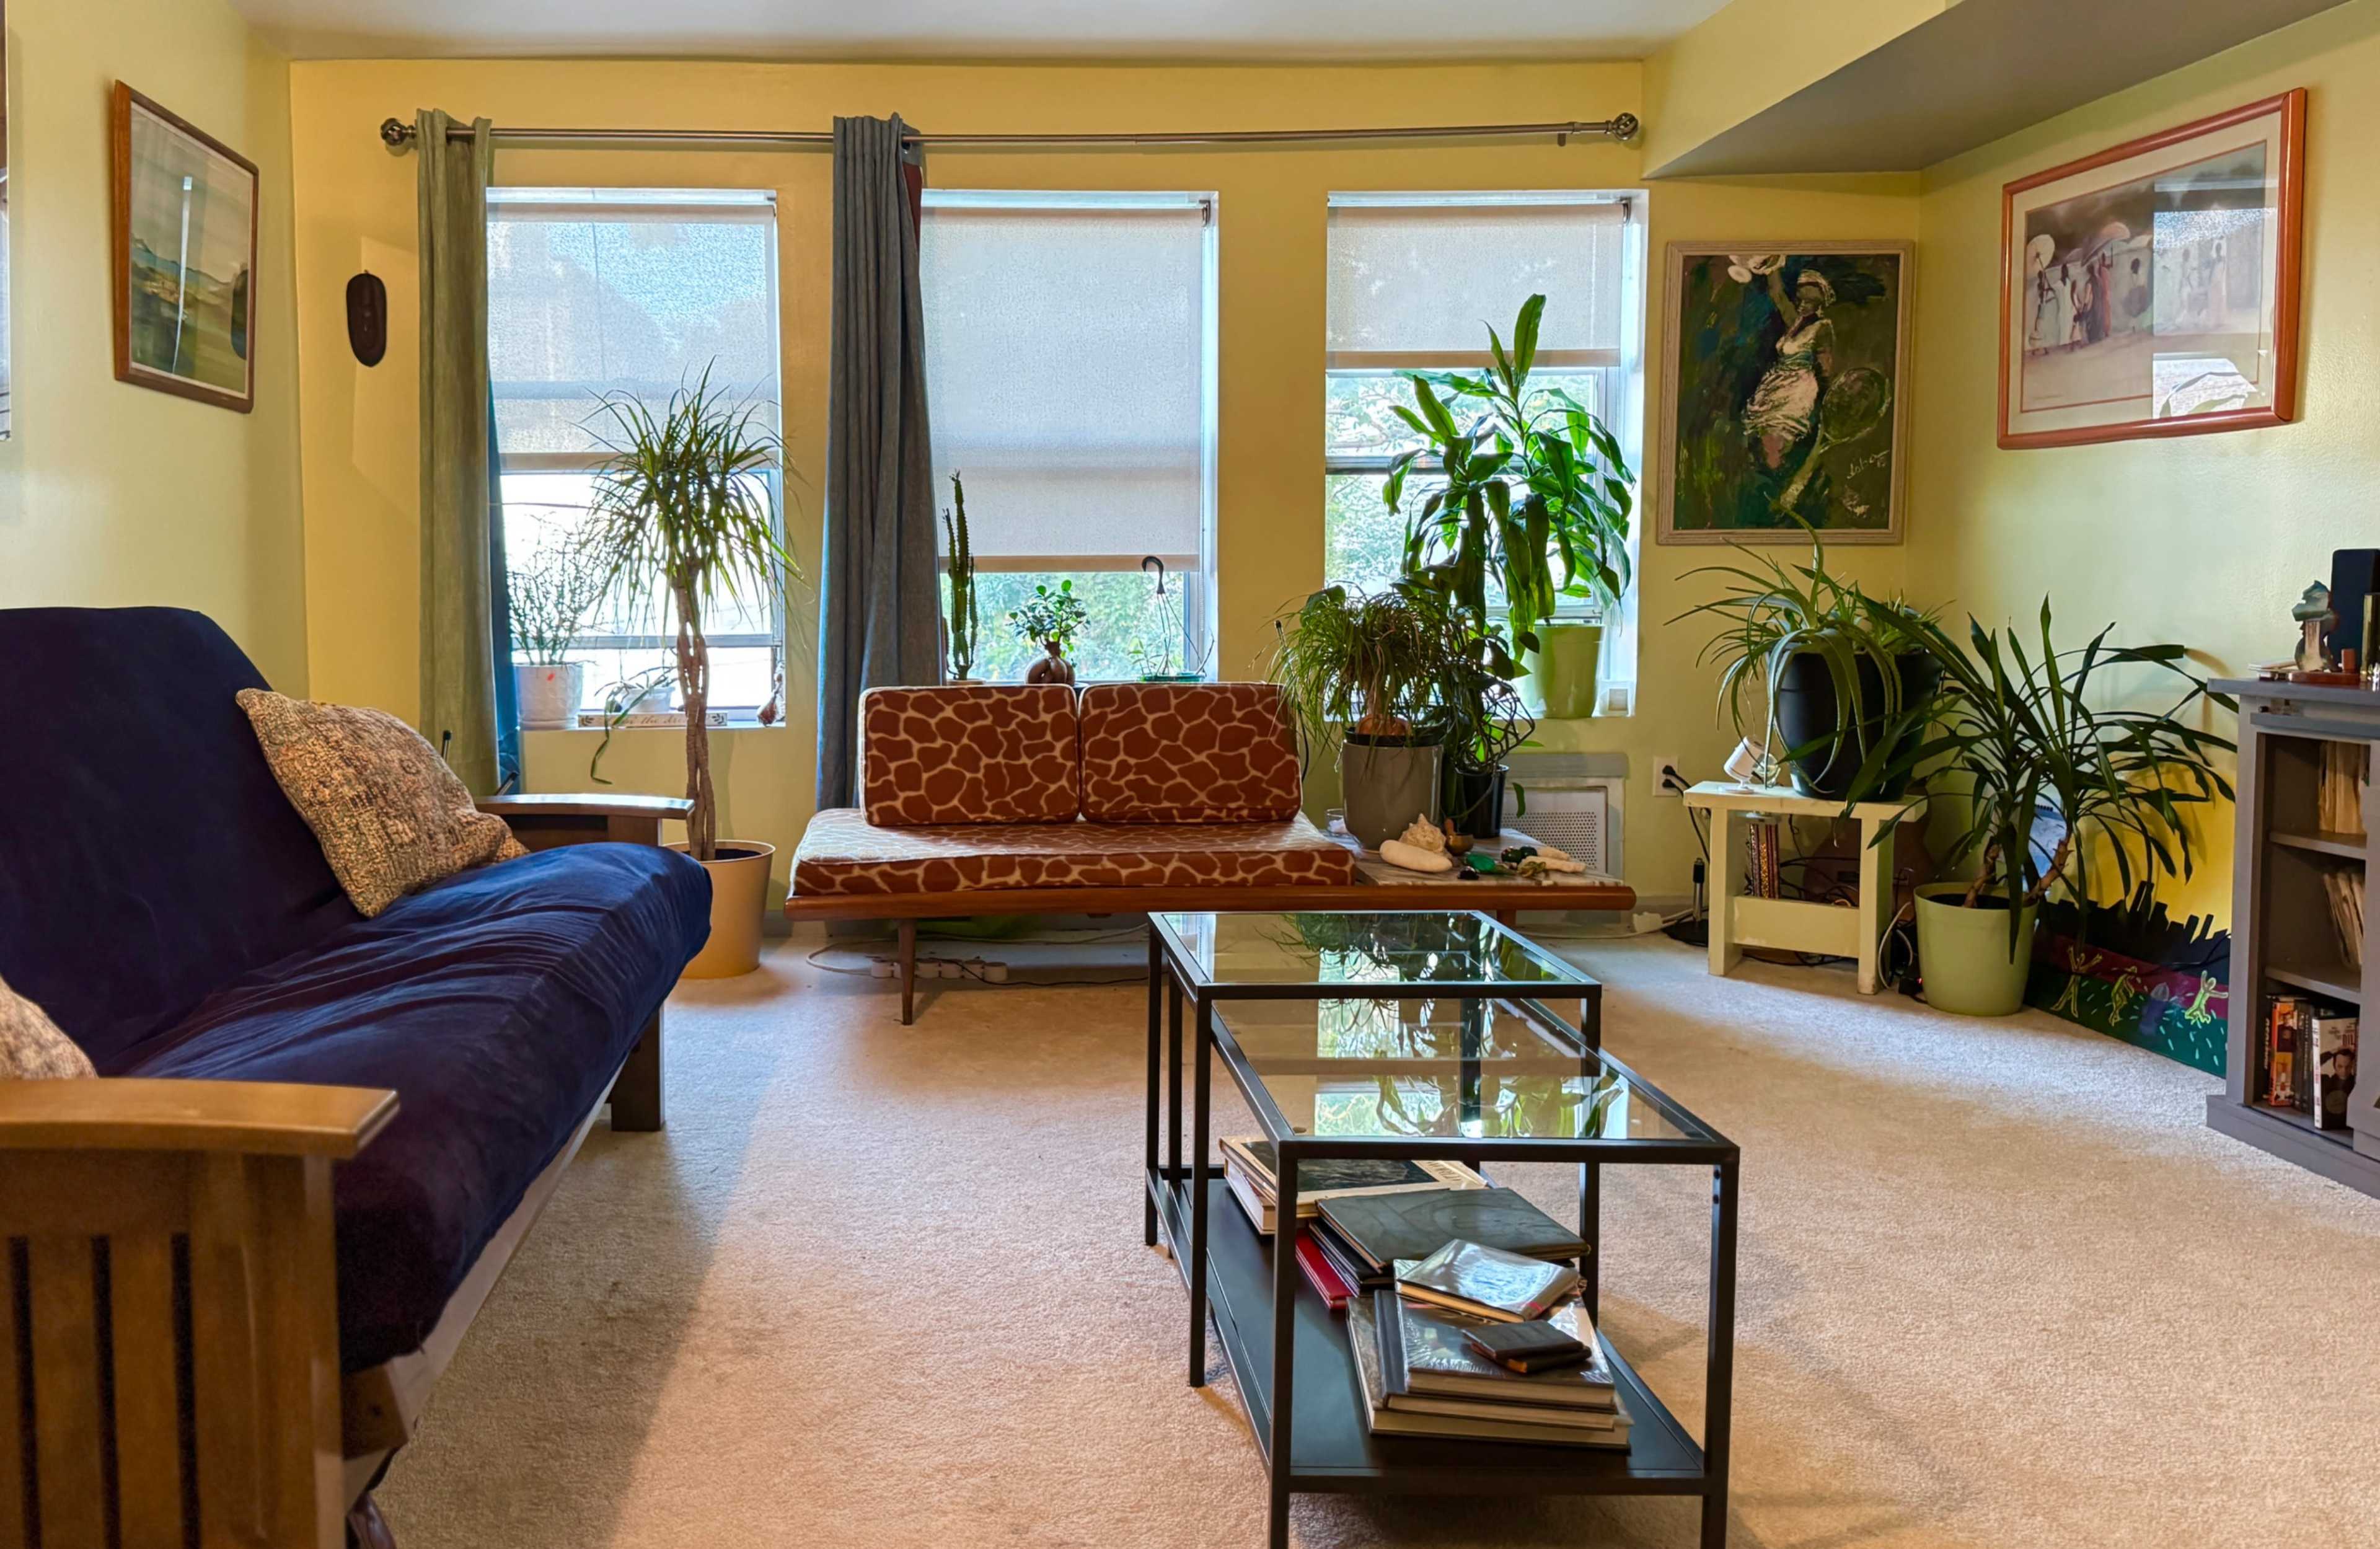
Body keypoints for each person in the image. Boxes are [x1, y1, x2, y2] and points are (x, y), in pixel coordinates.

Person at [1743, 268, 1836, 472]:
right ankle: (1767, 476)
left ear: (1819, 304)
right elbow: (1777, 294)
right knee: (1761, 435)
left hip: (1797, 390)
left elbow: (1825, 368)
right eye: (1799, 299)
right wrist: (1773, 265)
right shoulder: (1795, 322)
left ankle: (1779, 474)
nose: (1802, 305)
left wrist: (1824, 399)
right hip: (1775, 383)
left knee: (1777, 439)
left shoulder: (1822, 328)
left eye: (1809, 302)